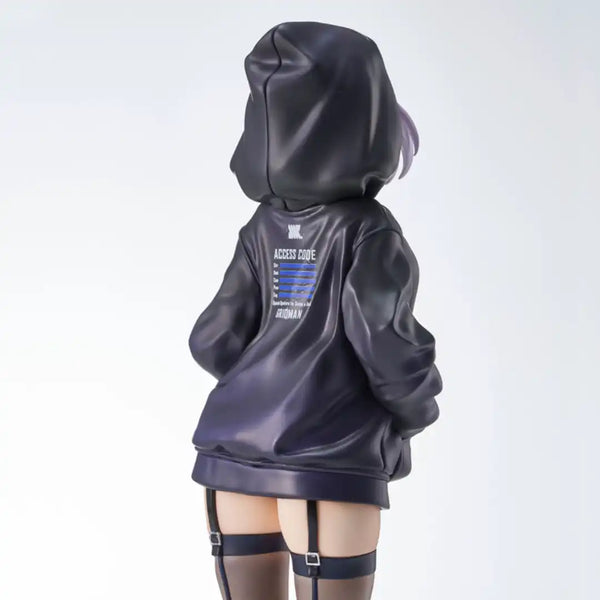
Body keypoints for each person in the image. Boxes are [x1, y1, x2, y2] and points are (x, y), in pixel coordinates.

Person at [187, 20, 443, 600]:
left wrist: (265, 383)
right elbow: (386, 344)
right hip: (329, 460)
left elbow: (211, 339)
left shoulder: (260, 229)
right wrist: (414, 412)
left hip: (230, 457)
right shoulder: (369, 231)